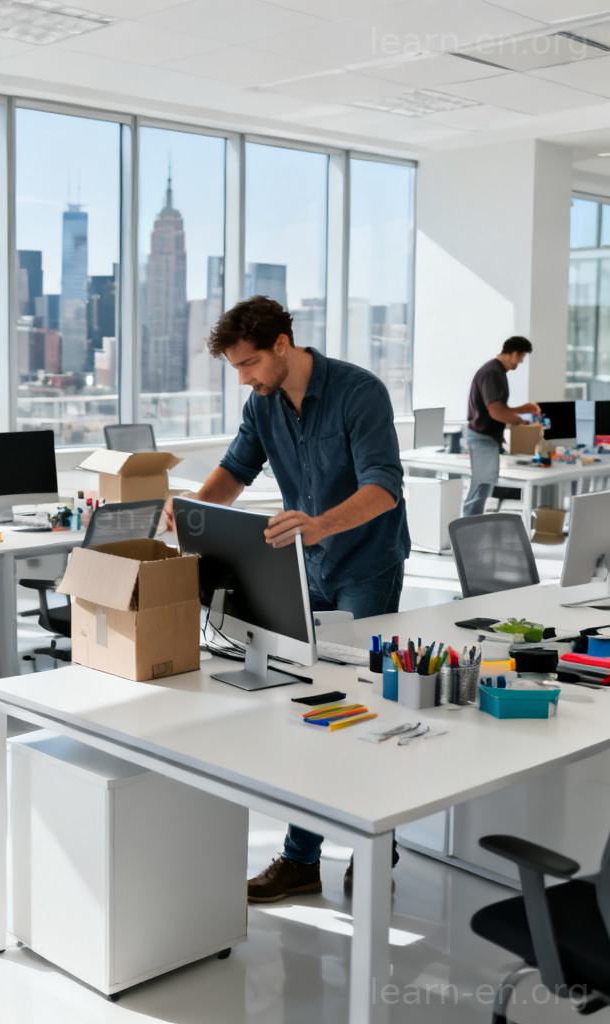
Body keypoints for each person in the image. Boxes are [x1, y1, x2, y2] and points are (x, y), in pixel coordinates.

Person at [168, 296, 410, 903]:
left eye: (249, 364)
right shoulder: (263, 404)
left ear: (282, 344)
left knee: (361, 710)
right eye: (235, 368)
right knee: (308, 707)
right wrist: (194, 510)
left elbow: (385, 488)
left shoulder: (360, 392)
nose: (244, 378)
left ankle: (375, 846)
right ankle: (301, 858)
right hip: (306, 567)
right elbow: (234, 470)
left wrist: (322, 526)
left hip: (365, 564)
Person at [462, 337, 541, 517]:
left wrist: (521, 410)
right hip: (483, 438)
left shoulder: (495, 370)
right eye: (522, 357)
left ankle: (469, 533)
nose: (521, 361)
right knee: (479, 491)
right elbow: (496, 412)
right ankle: (466, 537)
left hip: (485, 438)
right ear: (515, 353)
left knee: (482, 489)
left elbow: (496, 408)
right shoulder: (493, 372)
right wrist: (522, 422)